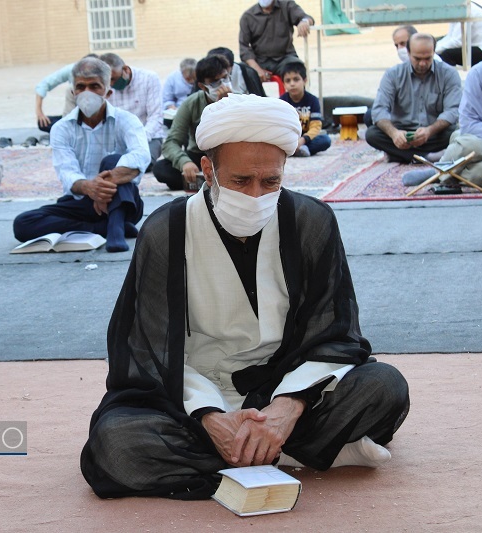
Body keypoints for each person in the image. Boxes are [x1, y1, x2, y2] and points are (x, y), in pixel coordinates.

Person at [80, 93, 410, 500]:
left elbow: (335, 332)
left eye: (270, 181)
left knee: (385, 387)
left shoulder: (310, 221)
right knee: (116, 443)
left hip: (282, 387)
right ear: (207, 169)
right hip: (189, 396)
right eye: (240, 181)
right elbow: (146, 350)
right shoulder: (166, 231)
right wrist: (210, 416)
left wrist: (287, 408)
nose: (256, 196)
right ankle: (296, 454)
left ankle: (261, 447)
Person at [12, 57, 150, 253]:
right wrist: (90, 188)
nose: (87, 93)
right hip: (81, 201)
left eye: (94, 86)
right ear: (73, 92)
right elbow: (66, 171)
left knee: (113, 161)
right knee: (23, 223)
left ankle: (116, 225)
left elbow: (141, 156)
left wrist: (103, 186)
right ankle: (103, 229)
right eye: (81, 87)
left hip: (122, 201)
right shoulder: (61, 128)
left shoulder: (127, 120)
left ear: (108, 91)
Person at [401, 39, 482, 191]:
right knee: (472, 145)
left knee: (481, 174)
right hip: (477, 139)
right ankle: (445, 168)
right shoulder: (480, 74)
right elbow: (469, 123)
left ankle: (442, 171)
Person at [366, 34, 462, 163]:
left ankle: (402, 155)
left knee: (458, 133)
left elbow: (452, 111)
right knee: (372, 134)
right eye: (417, 58)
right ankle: (428, 156)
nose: (422, 63)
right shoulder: (393, 74)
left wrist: (429, 131)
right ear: (408, 53)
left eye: (428, 58)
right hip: (402, 132)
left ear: (434, 52)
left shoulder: (448, 74)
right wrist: (394, 134)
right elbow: (379, 110)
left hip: (434, 133)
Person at [152, 54, 232, 191]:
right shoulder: (191, 103)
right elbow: (171, 142)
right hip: (199, 155)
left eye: (225, 78)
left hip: (229, 155)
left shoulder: (240, 100)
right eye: (215, 82)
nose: (222, 85)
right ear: (202, 86)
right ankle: (209, 181)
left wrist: (226, 107)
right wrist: (185, 162)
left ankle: (211, 182)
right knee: (161, 169)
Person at [98, 53, 164, 167]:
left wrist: (137, 141)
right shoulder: (104, 87)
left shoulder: (149, 78)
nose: (112, 84)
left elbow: (156, 117)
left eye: (113, 79)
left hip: (148, 137)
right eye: (108, 81)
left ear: (126, 70)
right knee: (104, 163)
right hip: (118, 140)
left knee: (142, 162)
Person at [239, 0, 313, 83]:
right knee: (243, 72)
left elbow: (307, 18)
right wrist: (257, 69)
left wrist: (304, 22)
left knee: (298, 71)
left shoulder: (287, 6)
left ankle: (296, 96)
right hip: (259, 60)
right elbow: (244, 47)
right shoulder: (248, 16)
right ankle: (260, 96)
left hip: (285, 58)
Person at [35, 55, 98, 133]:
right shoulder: (72, 81)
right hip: (77, 118)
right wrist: (39, 112)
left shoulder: (106, 78)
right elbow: (44, 85)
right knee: (43, 123)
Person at [280, 62, 331, 157]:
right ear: (283, 84)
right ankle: (295, 150)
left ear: (305, 80)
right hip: (289, 139)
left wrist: (303, 140)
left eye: (296, 79)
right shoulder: (282, 102)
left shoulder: (313, 100)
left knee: (325, 140)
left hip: (307, 139)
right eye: (288, 81)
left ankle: (298, 150)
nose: (292, 84)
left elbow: (316, 126)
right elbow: (280, 126)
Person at [436, 2, 482, 67]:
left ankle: (449, 77)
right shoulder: (459, 8)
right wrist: (435, 48)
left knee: (447, 54)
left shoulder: (465, 10)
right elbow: (450, 37)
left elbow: (457, 42)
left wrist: (434, 51)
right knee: (442, 53)